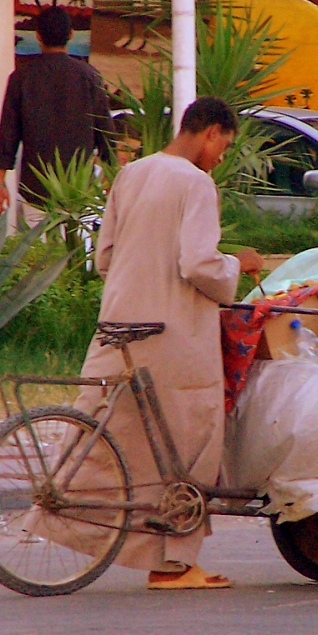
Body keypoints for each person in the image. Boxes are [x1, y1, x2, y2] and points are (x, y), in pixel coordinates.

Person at [70, 96, 263, 590]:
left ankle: (68, 520)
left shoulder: (131, 174)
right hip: (173, 332)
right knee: (189, 439)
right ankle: (172, 562)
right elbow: (199, 264)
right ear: (211, 133)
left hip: (117, 323)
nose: (221, 156)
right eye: (224, 145)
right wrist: (240, 265)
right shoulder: (195, 183)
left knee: (107, 434)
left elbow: (105, 256)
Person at [0, 6, 116, 223]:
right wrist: (109, 172)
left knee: (39, 253)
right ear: (70, 35)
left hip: (36, 186)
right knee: (77, 252)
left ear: (38, 36)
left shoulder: (21, 77)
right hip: (79, 187)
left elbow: (8, 133)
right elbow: (105, 129)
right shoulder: (89, 76)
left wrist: (0, 181)